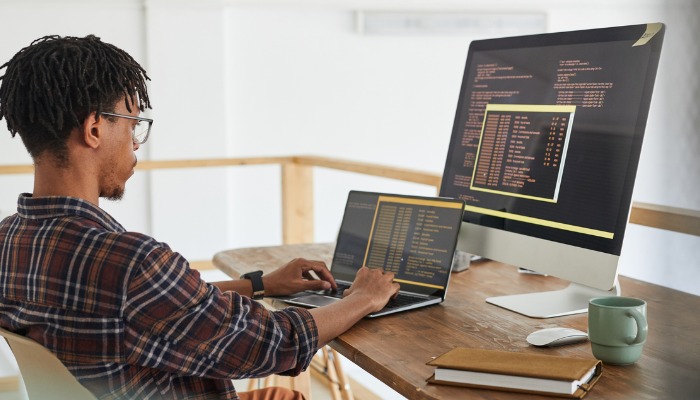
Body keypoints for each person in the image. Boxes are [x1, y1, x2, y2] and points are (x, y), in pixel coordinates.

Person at [0, 35, 399, 400]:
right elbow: (273, 343)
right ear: (93, 128)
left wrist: (260, 283)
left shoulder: (8, 239)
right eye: (133, 125)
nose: (136, 144)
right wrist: (363, 297)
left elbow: (155, 306)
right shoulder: (130, 262)